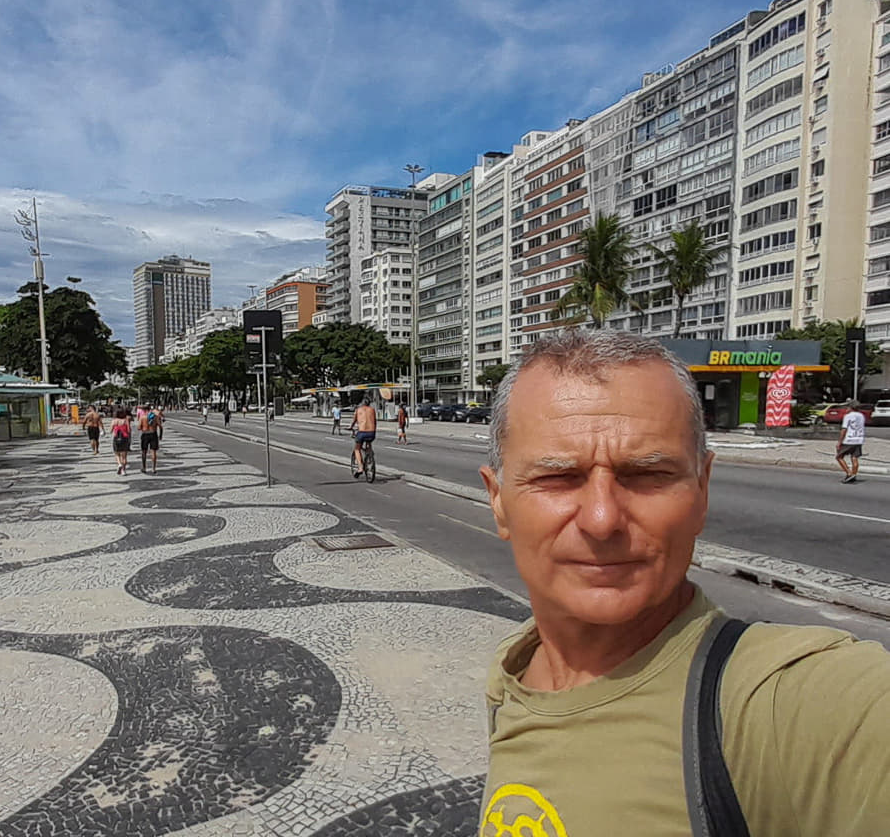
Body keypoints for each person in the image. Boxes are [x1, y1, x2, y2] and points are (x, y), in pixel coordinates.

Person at [476, 328, 890, 835]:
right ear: (498, 501)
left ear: (703, 489)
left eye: (648, 475)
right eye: (558, 478)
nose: (603, 519)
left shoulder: (788, 702)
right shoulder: (512, 669)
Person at [837, 400, 866, 484]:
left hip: (849, 439)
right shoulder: (861, 416)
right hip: (859, 439)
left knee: (839, 456)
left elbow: (844, 429)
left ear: (851, 407)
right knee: (854, 457)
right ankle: (854, 474)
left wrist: (839, 442)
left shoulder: (848, 416)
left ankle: (849, 473)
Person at [349, 396, 376, 477]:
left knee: (357, 449)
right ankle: (370, 457)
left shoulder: (358, 410)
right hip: (371, 432)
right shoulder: (372, 410)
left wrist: (351, 427)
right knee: (369, 444)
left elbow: (354, 421)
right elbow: (375, 422)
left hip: (362, 432)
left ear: (362, 403)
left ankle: (360, 468)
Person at [138, 403, 161, 474]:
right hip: (153, 434)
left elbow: (139, 427)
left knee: (144, 451)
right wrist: (160, 435)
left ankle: (144, 468)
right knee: (153, 452)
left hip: (145, 434)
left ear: (144, 410)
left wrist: (143, 427)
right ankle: (153, 468)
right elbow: (160, 426)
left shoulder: (142, 417)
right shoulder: (155, 417)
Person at [112, 409, 133, 475]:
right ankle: (123, 470)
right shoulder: (126, 420)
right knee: (124, 456)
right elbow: (129, 430)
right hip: (125, 438)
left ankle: (119, 464)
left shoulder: (114, 421)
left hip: (116, 438)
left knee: (117, 454)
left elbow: (110, 430)